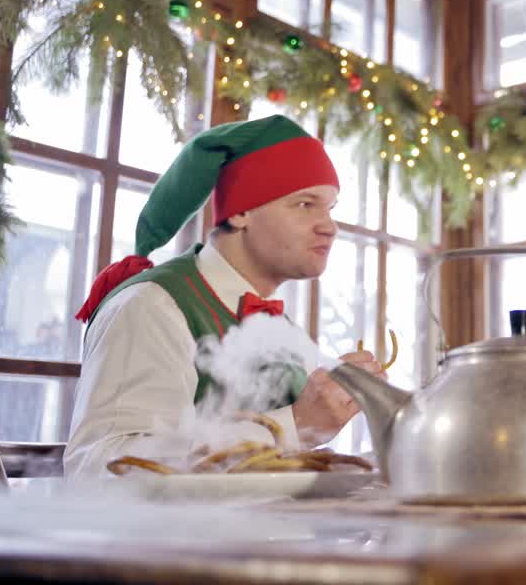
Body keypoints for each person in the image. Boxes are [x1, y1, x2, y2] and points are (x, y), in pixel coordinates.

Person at [65, 115, 385, 478]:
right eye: (305, 204)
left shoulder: (282, 330)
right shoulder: (151, 306)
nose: (329, 226)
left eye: (330, 207)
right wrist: (295, 423)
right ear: (242, 211)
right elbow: (98, 470)